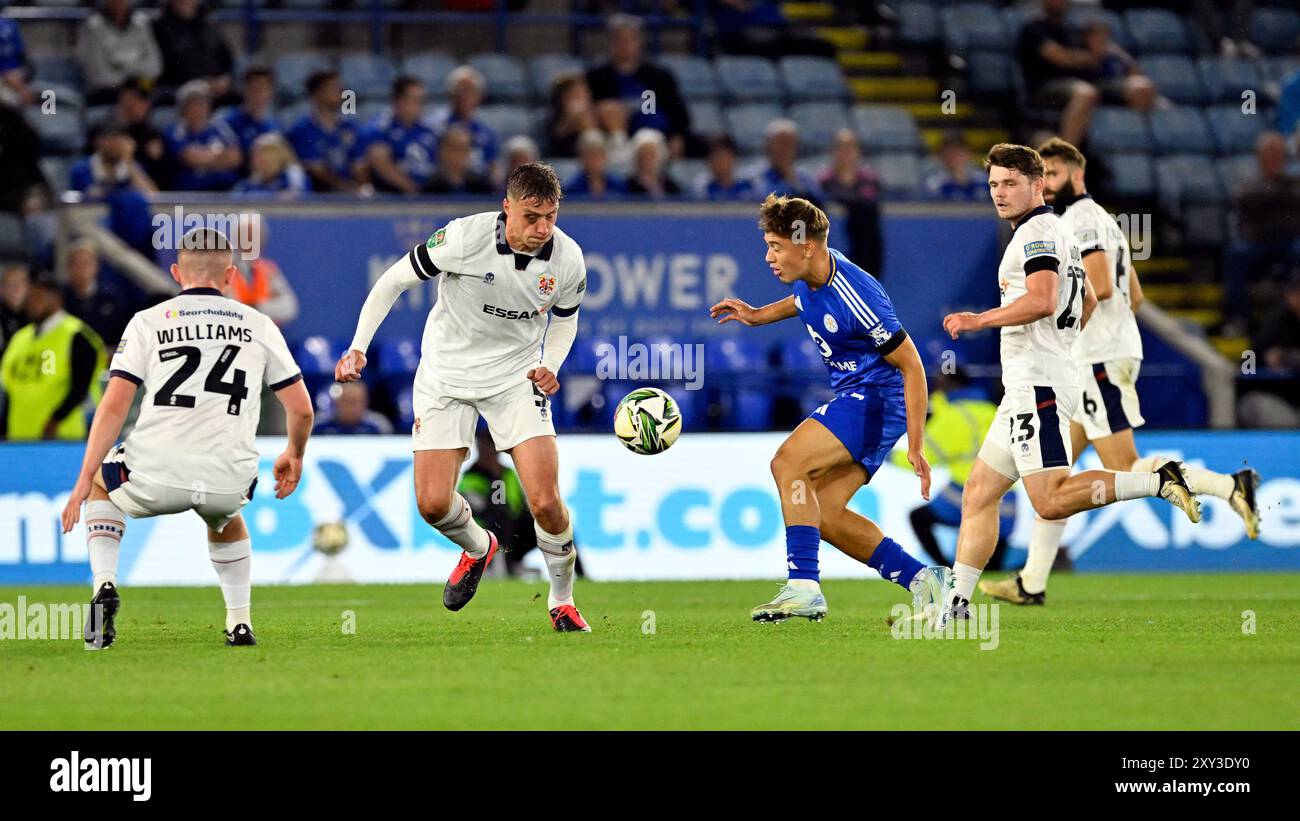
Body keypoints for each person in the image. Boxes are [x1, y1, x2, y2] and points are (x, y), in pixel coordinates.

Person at [981, 138, 1261, 605]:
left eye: (1052, 175)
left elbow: (1104, 287)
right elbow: (1136, 294)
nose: (1046, 185)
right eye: (1042, 177)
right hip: (1093, 359)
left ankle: (1230, 485)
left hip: (1096, 361)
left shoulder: (1080, 220)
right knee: (1055, 478)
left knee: (1123, 469)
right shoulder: (1102, 220)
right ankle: (1032, 581)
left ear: (1076, 172)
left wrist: (1078, 332)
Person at [938, 143, 1200, 626]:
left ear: (1038, 184)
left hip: (1036, 386)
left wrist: (981, 320)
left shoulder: (1036, 232)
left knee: (1050, 497)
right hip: (1035, 381)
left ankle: (1157, 481)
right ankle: (955, 608)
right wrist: (1059, 344)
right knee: (978, 491)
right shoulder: (1060, 229)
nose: (999, 192)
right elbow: (1091, 304)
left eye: (1010, 183)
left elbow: (1041, 299)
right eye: (994, 183)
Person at [334, 163, 592, 632]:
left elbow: (567, 318)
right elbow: (393, 282)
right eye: (532, 216)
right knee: (432, 504)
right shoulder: (461, 238)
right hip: (445, 376)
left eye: (551, 216)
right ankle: (479, 547)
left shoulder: (568, 258)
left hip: (516, 379)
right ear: (507, 206)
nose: (543, 228)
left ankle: (562, 601)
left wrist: (549, 365)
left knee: (547, 502)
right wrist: (358, 347)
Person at [60, 227, 314, 649]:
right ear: (231, 275)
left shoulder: (148, 321)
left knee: (104, 484)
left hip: (155, 469)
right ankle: (239, 623)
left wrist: (84, 477)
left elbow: (113, 406)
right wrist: (295, 454)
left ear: (177, 273)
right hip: (228, 476)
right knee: (227, 517)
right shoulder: (260, 324)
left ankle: (104, 584)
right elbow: (302, 408)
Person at [709, 194, 944, 623]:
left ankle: (803, 588)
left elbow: (912, 366)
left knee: (787, 463)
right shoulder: (810, 276)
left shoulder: (857, 294)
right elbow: (802, 302)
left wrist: (916, 445)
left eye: (776, 247)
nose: (768, 257)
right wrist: (758, 315)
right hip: (859, 398)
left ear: (807, 247)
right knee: (825, 514)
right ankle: (926, 582)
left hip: (877, 398)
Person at [891, 369, 1015, 571]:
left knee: (919, 518)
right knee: (991, 568)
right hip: (1008, 499)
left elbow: (921, 459)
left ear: (949, 386)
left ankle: (944, 567)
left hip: (966, 494)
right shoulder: (992, 410)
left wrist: (886, 456)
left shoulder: (951, 416)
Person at [1016, 0, 1156, 146]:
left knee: (1142, 88)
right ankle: (1066, 156)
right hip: (1048, 88)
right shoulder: (1034, 29)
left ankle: (1131, 150)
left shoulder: (1074, 31)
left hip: (1089, 83)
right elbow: (1059, 56)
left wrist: (1120, 58)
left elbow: (1111, 52)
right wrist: (1092, 57)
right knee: (1085, 93)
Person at [0, 270, 105, 441]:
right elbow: (8, 388)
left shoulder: (77, 336)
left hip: (62, 438)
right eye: (30, 297)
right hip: (18, 436)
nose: (32, 303)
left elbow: (80, 388)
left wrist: (55, 420)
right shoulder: (20, 338)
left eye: (39, 297)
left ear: (56, 299)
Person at [1222, 131, 1300, 331]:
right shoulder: (1248, 184)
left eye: (1278, 153)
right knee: (1236, 255)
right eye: (1269, 153)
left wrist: (1273, 195)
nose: (1274, 158)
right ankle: (1239, 318)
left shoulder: (1293, 183)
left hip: (1290, 241)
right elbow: (1247, 200)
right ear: (1259, 156)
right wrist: (1278, 195)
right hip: (1256, 242)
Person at [585, 15, 691, 159]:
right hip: (617, 144)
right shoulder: (596, 78)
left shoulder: (660, 76)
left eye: (630, 39)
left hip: (659, 141)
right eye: (619, 39)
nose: (625, 45)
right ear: (611, 43)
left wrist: (677, 137)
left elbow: (679, 114)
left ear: (639, 42)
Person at [355, 76, 438, 194]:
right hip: (393, 197)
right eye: (414, 100)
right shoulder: (378, 129)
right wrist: (413, 189)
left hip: (433, 192)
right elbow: (369, 163)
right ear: (398, 100)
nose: (419, 106)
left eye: (422, 100)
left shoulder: (429, 130)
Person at [286, 69, 362, 193]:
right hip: (320, 198)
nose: (340, 93)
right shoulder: (303, 129)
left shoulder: (349, 127)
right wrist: (349, 188)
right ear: (317, 94)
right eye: (334, 89)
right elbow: (316, 171)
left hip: (352, 195)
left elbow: (359, 164)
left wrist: (363, 188)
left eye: (340, 88)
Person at [77, 0, 163, 105]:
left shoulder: (141, 23)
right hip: (105, 93)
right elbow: (98, 74)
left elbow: (154, 67)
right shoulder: (92, 26)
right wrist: (129, 79)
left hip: (140, 89)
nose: (119, 2)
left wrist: (121, 69)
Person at [164, 79, 242, 191]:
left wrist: (204, 158)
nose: (197, 108)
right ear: (183, 108)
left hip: (223, 194)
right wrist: (219, 157)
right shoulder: (175, 130)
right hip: (187, 197)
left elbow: (235, 158)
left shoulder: (220, 127)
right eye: (192, 103)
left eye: (201, 103)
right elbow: (190, 157)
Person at [153, 0, 235, 102]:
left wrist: (224, 80)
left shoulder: (210, 25)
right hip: (178, 94)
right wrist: (202, 84)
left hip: (216, 92)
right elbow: (161, 69)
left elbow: (227, 61)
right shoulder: (158, 28)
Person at [227, 214, 298, 326]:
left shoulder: (269, 270)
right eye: (245, 235)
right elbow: (227, 309)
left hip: (267, 337)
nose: (250, 240)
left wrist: (258, 307)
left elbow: (289, 308)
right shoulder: (225, 269)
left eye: (255, 235)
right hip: (236, 335)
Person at [427, 66, 498, 178]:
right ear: (450, 94)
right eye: (460, 90)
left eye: (471, 91)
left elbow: (492, 167)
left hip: (477, 189)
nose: (465, 96)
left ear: (479, 96)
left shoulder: (486, 132)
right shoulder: (434, 126)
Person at [63, 240, 131, 349]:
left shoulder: (112, 298)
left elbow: (125, 336)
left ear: (96, 266)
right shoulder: (60, 299)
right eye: (76, 263)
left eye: (86, 263)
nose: (82, 269)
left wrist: (117, 353)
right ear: (68, 268)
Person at [70, 119, 158, 197]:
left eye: (120, 141)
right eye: (111, 140)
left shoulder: (134, 168)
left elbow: (152, 196)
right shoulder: (81, 170)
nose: (115, 145)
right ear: (98, 142)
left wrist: (129, 161)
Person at [114, 78, 170, 190]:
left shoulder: (153, 135)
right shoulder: (108, 132)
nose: (144, 105)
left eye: (144, 100)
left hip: (152, 197)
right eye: (136, 99)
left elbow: (162, 180)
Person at [751, 119, 823, 202]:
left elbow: (820, 203)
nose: (785, 149)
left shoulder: (805, 178)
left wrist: (794, 182)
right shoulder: (753, 179)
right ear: (768, 144)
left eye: (790, 143)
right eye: (780, 142)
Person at [222, 66, 279, 168]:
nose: (259, 94)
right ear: (245, 90)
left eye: (263, 89)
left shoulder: (274, 126)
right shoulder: (228, 122)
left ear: (271, 93)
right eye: (255, 89)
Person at [422, 125, 494, 195]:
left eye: (464, 149)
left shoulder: (481, 185)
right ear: (442, 151)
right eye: (455, 148)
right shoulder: (430, 186)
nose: (460, 154)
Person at [233, 133, 310, 196]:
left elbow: (295, 196)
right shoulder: (248, 185)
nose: (261, 160)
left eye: (269, 154)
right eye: (257, 156)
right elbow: (234, 203)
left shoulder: (293, 175)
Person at [545, 72, 597, 158]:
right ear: (563, 98)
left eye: (583, 92)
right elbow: (557, 138)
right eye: (575, 94)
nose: (581, 97)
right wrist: (572, 118)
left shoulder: (596, 114)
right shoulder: (553, 119)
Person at [565, 129, 627, 199]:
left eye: (597, 155)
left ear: (604, 157)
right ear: (582, 158)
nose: (594, 160)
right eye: (589, 156)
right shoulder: (573, 187)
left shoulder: (618, 185)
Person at [313, 381, 393, 435]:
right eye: (346, 401)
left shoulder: (377, 426)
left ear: (365, 403)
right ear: (336, 403)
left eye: (354, 402)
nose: (350, 407)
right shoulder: (320, 426)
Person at [925, 132, 985, 202]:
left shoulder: (985, 180)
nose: (954, 157)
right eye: (948, 153)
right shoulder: (933, 185)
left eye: (959, 152)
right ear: (940, 156)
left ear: (970, 154)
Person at [624, 128, 681, 198]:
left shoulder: (671, 186)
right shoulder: (627, 186)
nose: (647, 159)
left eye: (652, 154)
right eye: (644, 154)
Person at [694, 135, 755, 201]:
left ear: (734, 159)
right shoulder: (702, 187)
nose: (720, 163)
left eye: (723, 158)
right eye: (715, 158)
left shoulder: (747, 185)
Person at [1, 263, 30, 344]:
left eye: (18, 284)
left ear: (27, 287)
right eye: (9, 285)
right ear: (1, 289)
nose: (14, 290)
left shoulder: (37, 315)